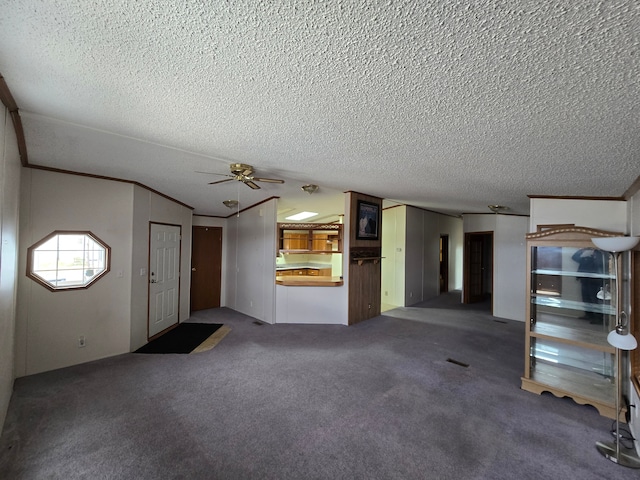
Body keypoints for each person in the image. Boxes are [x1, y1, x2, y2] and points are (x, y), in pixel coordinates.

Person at [571, 248, 604, 321]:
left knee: (594, 300)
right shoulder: (586, 259)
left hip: (594, 282)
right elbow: (574, 257)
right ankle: (589, 315)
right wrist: (583, 249)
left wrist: (597, 254)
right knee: (586, 299)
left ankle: (599, 318)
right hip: (584, 281)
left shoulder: (600, 261)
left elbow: (599, 262)